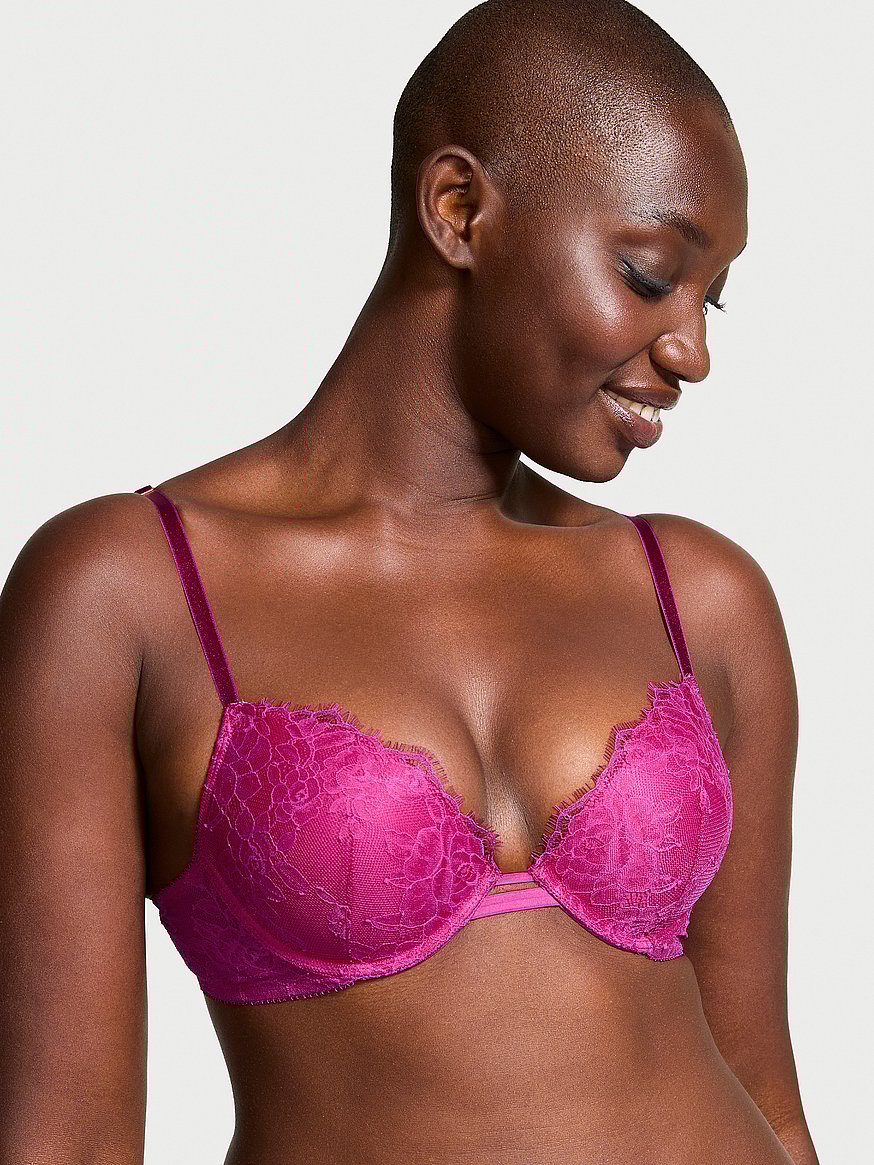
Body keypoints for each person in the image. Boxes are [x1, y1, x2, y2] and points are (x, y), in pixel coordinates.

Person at [0, 1, 820, 1162]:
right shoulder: (126, 592)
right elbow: (68, 1140)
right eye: (648, 276)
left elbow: (767, 1099)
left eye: (710, 296)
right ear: (458, 210)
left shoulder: (698, 597)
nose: (691, 350)